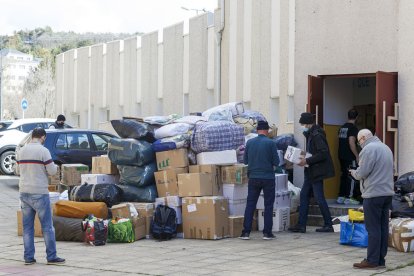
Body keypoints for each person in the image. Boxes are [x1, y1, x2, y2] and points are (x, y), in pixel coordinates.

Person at [16, 127, 65, 265]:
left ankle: (28, 257)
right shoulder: (43, 151)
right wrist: (53, 165)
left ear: (32, 136)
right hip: (39, 192)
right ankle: (51, 256)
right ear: (43, 137)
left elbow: (17, 170)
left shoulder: (22, 150)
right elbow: (52, 171)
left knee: (27, 227)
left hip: (24, 192)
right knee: (47, 227)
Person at [350, 129, 394, 269]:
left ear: (363, 138)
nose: (359, 144)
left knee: (373, 228)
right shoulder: (386, 147)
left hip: (373, 193)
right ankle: (380, 260)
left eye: (359, 141)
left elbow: (362, 172)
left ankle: (372, 260)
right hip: (387, 193)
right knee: (382, 227)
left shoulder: (368, 149)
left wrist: (353, 173)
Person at [288, 112, 335, 233]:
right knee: (304, 196)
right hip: (311, 171)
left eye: (303, 123)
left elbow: (323, 153)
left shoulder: (317, 135)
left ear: (308, 123)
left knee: (319, 198)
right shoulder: (311, 134)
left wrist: (307, 160)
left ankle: (328, 224)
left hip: (316, 171)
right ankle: (301, 225)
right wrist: (304, 157)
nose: (302, 126)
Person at [240, 120, 279, 240]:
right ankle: (267, 233)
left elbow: (245, 161)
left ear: (257, 130)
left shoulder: (250, 143)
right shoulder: (271, 143)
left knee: (250, 205)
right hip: (268, 178)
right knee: (268, 205)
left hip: (253, 178)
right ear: (267, 131)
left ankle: (245, 233)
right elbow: (276, 162)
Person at [337, 108, 360, 204]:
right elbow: (351, 142)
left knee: (344, 175)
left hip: (341, 155)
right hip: (350, 156)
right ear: (357, 117)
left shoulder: (342, 127)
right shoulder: (353, 128)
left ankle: (341, 196)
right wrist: (357, 156)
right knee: (352, 176)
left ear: (348, 116)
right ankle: (349, 197)